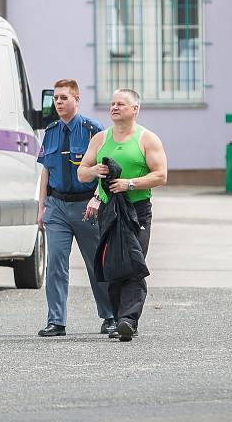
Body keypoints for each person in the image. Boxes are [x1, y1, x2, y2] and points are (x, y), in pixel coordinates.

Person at [79, 88, 167, 342]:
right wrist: (94, 170)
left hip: (136, 211)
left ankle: (129, 320)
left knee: (133, 264)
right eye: (113, 103)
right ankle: (120, 319)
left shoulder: (147, 139)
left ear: (135, 109)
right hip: (109, 212)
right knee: (113, 265)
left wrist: (129, 183)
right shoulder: (100, 139)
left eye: (121, 104)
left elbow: (160, 175)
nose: (114, 107)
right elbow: (82, 173)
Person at [36, 79, 115, 337]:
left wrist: (97, 198)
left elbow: (105, 171)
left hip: (86, 206)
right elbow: (46, 173)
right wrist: (41, 208)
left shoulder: (94, 130)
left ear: (76, 99)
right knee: (55, 264)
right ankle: (56, 321)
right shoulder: (50, 131)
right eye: (56, 98)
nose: (58, 102)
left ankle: (110, 316)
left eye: (64, 98)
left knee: (96, 264)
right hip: (57, 206)